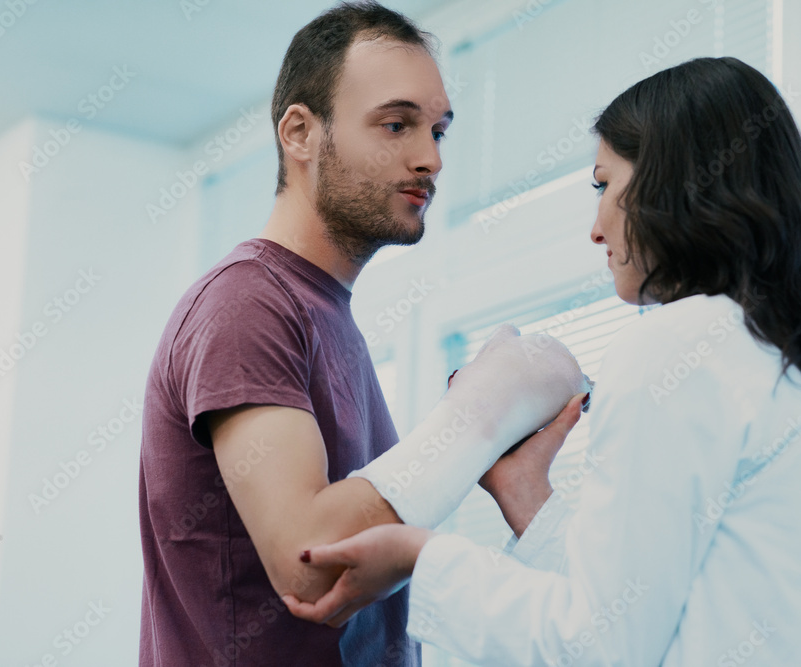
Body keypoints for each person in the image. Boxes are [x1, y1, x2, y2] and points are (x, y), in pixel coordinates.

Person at [284, 56, 801, 666]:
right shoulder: (798, 359)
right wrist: (526, 492)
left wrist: (415, 558)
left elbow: (598, 646)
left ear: (674, 185)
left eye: (604, 185)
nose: (595, 227)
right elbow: (643, 608)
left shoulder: (681, 343)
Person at [137, 2, 589, 666]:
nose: (430, 157)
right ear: (299, 132)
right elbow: (311, 567)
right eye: (397, 124)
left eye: (438, 130)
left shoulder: (325, 316)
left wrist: (507, 471)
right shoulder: (247, 303)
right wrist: (488, 404)